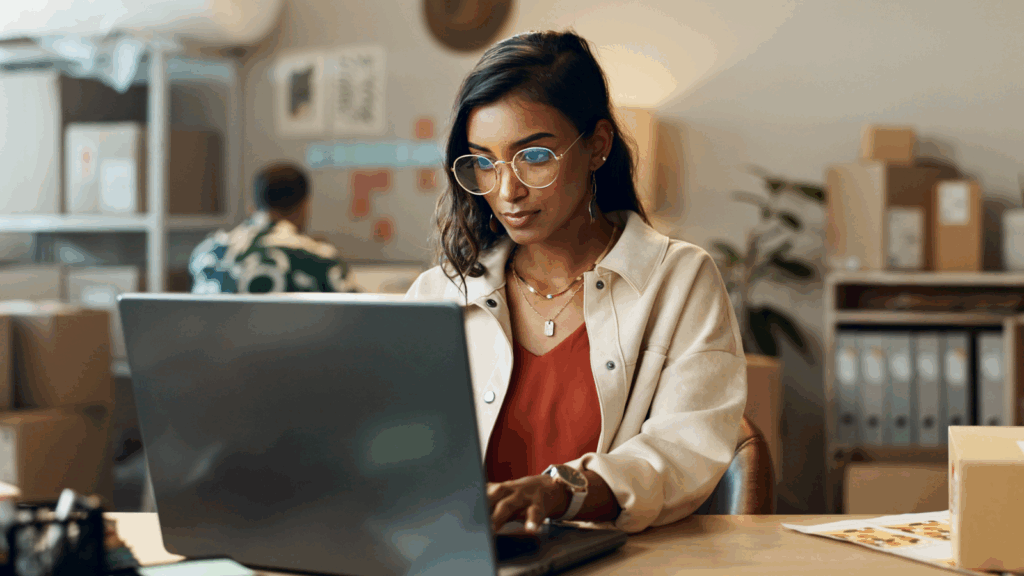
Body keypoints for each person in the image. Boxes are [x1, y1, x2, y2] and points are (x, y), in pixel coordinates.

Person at [405, 30, 747, 535]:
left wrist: (564, 492)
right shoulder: (441, 294)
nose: (508, 190)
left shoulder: (677, 279)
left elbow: (684, 452)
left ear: (598, 147)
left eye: (535, 157)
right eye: (484, 161)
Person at [189, 162, 357, 294]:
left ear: (253, 207)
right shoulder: (320, 258)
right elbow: (361, 317)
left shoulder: (206, 253)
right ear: (304, 207)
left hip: (217, 338)